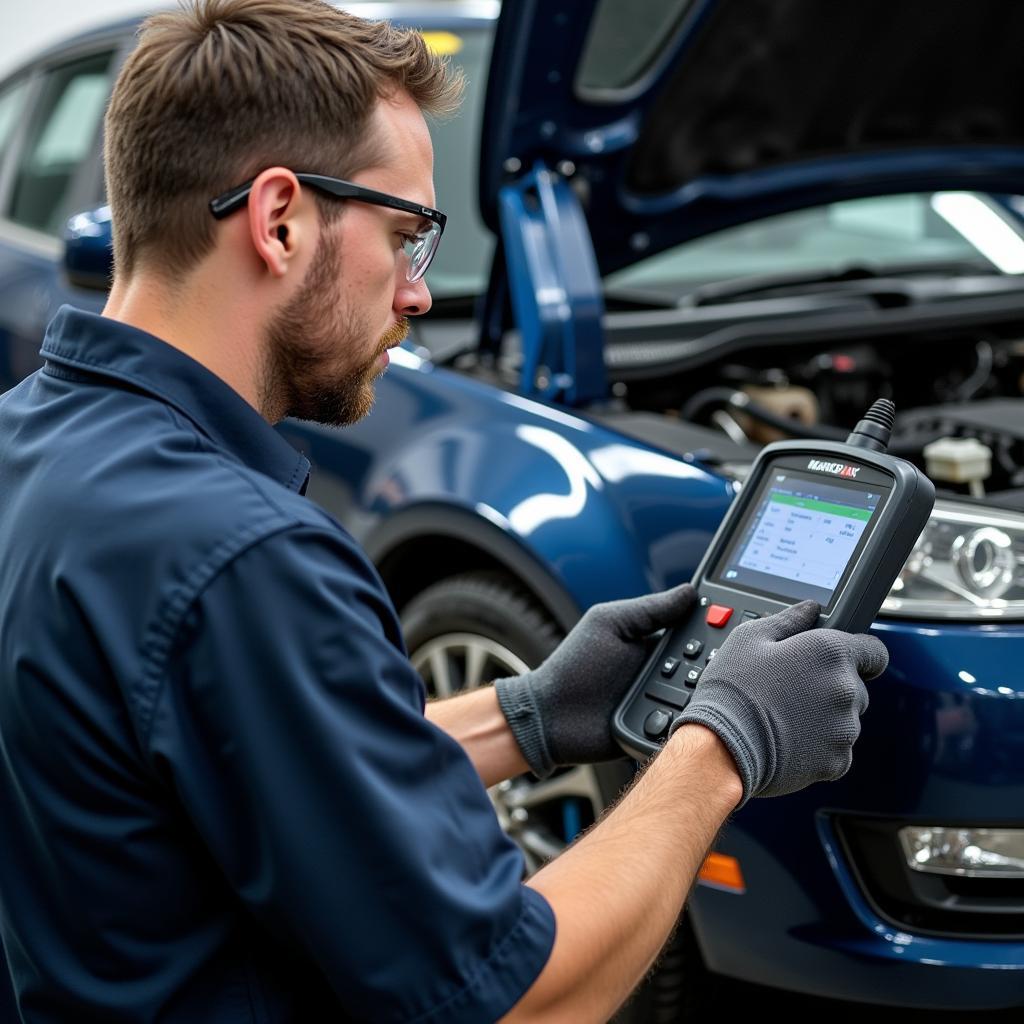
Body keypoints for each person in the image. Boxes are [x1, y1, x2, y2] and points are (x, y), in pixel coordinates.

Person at [0, 2, 888, 1021]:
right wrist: (722, 742)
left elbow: (280, 779)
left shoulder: (30, 446)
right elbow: (512, 1002)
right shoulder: (244, 558)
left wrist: (528, 716)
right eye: (407, 236)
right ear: (278, 218)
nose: (418, 295)